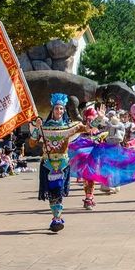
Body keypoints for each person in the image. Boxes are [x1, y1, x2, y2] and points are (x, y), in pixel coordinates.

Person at [29, 93, 87, 232]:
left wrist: (95, 122)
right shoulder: (44, 126)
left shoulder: (69, 126)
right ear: (52, 110)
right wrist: (36, 128)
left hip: (62, 164)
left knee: (58, 191)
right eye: (57, 109)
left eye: (61, 109)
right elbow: (32, 143)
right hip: (47, 164)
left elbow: (86, 128)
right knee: (52, 191)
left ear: (64, 110)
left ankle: (57, 218)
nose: (59, 111)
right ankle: (56, 217)